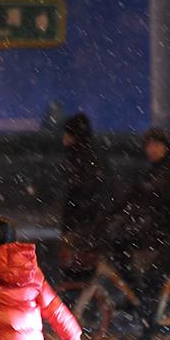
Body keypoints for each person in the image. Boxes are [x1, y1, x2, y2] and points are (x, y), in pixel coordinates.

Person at [109, 128, 170, 319]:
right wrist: (112, 220)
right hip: (165, 231)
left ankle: (147, 333)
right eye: (148, 146)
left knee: (152, 279)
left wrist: (125, 216)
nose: (151, 150)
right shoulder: (156, 170)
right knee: (119, 245)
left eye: (156, 145)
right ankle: (137, 296)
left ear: (166, 146)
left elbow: (148, 198)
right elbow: (134, 198)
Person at [59, 112, 113, 278]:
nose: (64, 138)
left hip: (85, 223)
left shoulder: (82, 158)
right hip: (90, 221)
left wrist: (73, 222)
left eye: (67, 133)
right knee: (81, 266)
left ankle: (78, 299)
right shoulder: (90, 155)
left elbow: (82, 192)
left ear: (74, 135)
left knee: (76, 266)